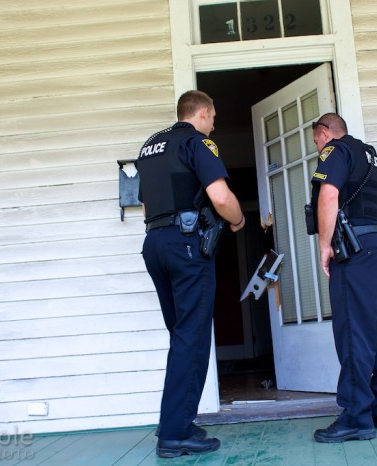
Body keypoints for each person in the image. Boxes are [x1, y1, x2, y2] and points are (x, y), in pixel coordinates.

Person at [135, 90, 245, 458]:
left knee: (182, 336)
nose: (214, 124)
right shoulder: (198, 142)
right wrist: (239, 220)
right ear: (203, 112)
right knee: (192, 337)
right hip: (186, 246)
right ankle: (175, 433)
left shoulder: (150, 146)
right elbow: (220, 197)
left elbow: (145, 203)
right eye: (213, 116)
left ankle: (177, 422)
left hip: (156, 243)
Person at [309, 113, 377, 443]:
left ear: (324, 133)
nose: (318, 148)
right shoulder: (371, 155)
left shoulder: (336, 150)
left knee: (353, 330)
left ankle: (356, 417)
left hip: (355, 249)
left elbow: (328, 195)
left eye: (316, 142)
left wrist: (323, 246)